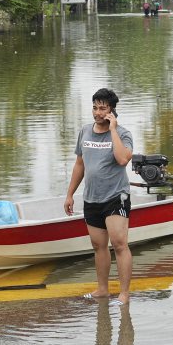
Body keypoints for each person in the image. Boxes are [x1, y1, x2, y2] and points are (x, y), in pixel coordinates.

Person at [64, 88, 135, 305]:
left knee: (120, 244)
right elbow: (79, 165)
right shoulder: (85, 132)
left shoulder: (123, 134)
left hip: (116, 197)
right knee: (98, 245)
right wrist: (70, 194)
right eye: (95, 107)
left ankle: (124, 294)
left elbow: (123, 159)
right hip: (91, 198)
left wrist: (112, 129)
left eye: (102, 108)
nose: (97, 112)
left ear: (112, 110)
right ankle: (103, 289)